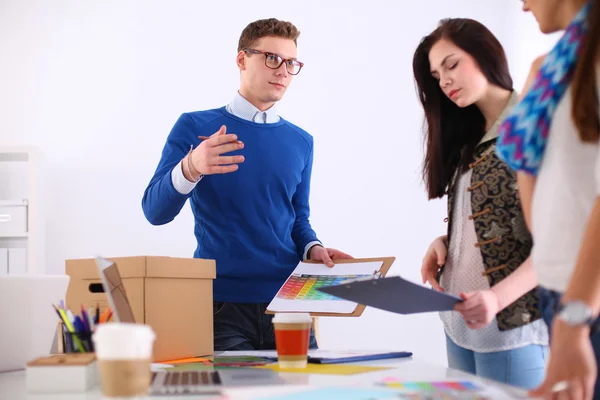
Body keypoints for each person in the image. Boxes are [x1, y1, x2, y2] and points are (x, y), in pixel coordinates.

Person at [142, 18, 352, 351]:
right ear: (242, 60)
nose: (283, 70)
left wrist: (313, 248)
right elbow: (154, 211)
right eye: (272, 58)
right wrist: (191, 167)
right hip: (222, 307)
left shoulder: (301, 141)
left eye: (292, 63)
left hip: (291, 303)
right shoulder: (195, 126)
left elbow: (298, 220)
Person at [413, 18, 549, 388]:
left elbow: (560, 243)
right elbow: (492, 219)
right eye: (437, 74)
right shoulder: (469, 138)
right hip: (459, 325)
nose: (445, 81)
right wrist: (446, 242)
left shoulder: (531, 126)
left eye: (452, 64)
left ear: (485, 54)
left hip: (512, 325)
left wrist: (495, 297)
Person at [496, 0, 600, 398]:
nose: (522, 6)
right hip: (559, 292)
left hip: (585, 300)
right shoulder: (555, 65)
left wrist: (575, 319)